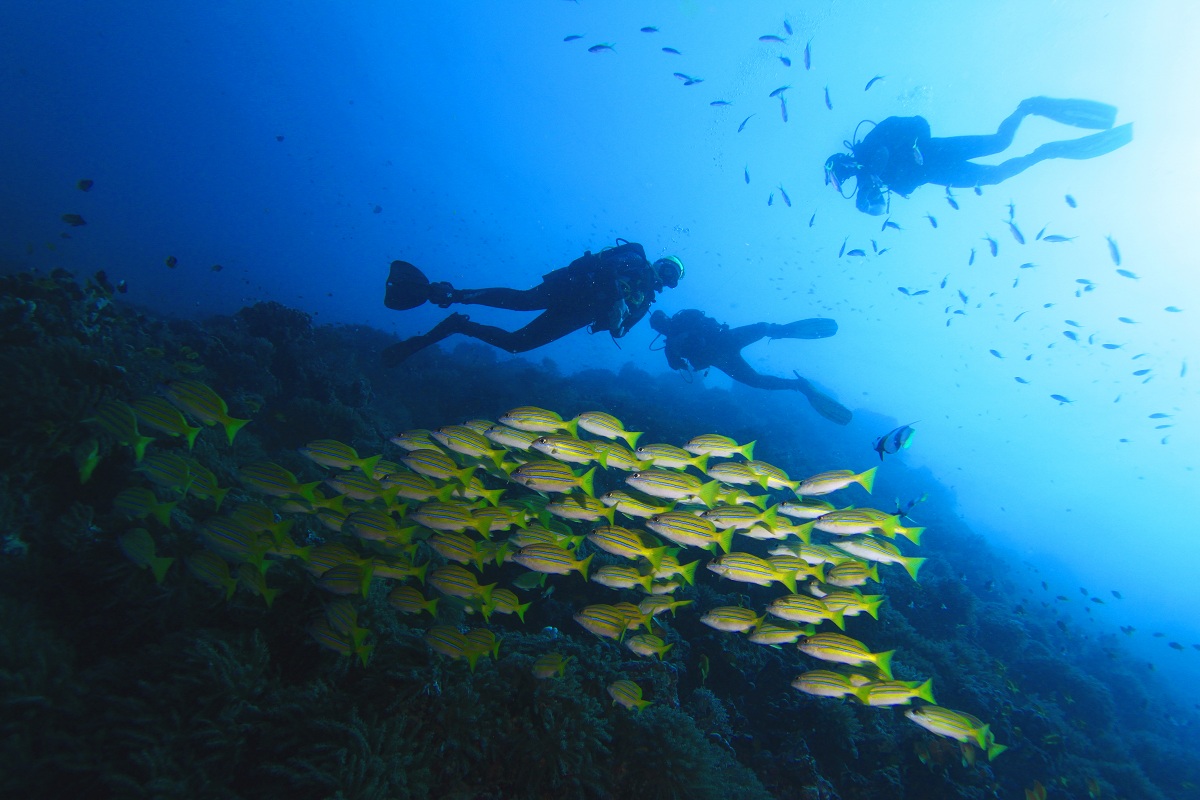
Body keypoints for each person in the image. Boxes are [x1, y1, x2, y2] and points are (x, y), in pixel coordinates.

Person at [381, 240, 682, 366]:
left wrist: (617, 322)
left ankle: (460, 325)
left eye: (673, 277)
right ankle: (450, 294)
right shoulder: (634, 259)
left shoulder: (644, 305)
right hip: (570, 288)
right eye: (666, 267)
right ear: (658, 263)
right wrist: (617, 296)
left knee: (517, 345)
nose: (665, 276)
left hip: (577, 315)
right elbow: (604, 267)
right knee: (521, 301)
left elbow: (620, 333)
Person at [824, 96, 1133, 215]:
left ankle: (1028, 107)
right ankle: (1047, 152)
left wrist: (910, 147)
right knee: (995, 176)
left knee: (1000, 143)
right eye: (840, 184)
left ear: (843, 161)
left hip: (936, 150)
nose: (846, 181)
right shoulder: (871, 183)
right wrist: (874, 194)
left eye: (839, 177)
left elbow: (919, 124)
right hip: (937, 174)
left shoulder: (872, 141)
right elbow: (906, 188)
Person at [648, 309, 852, 425]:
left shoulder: (673, 341)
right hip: (725, 343)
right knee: (762, 332)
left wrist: (682, 353)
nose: (662, 325)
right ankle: (784, 343)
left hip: (721, 353)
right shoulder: (679, 329)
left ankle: (796, 385)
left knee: (756, 379)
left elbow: (681, 366)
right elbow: (706, 323)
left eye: (659, 324)